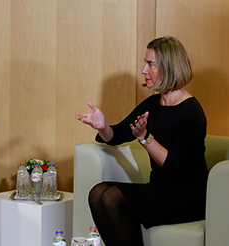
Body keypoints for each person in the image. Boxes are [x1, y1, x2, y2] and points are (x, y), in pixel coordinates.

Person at [75, 36, 208, 246]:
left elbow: (175, 166)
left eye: (150, 64)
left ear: (168, 67)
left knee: (111, 197)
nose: (144, 70)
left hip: (188, 196)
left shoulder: (191, 111)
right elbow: (117, 135)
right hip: (160, 190)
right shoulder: (154, 104)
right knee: (97, 193)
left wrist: (145, 138)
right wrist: (103, 126)